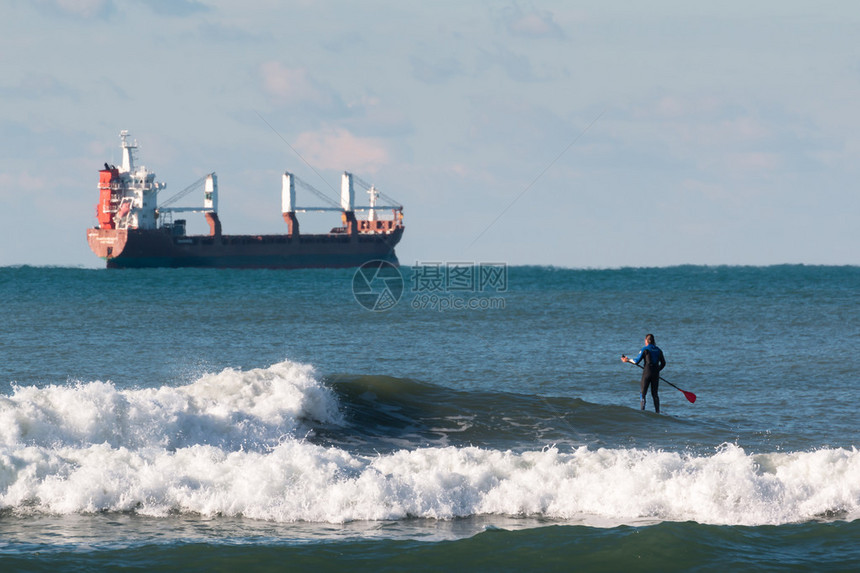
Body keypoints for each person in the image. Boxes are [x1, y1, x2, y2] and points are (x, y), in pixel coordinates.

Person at [621, 334, 666, 413]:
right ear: (653, 341)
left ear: (646, 341)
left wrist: (627, 360)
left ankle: (642, 412)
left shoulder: (645, 349)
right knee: (655, 394)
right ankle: (657, 412)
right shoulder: (659, 350)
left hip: (647, 373)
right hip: (655, 374)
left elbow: (636, 361)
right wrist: (657, 370)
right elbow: (663, 363)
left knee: (643, 394)